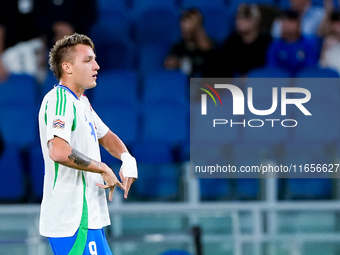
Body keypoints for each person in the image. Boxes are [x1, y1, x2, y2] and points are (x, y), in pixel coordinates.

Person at [38, 33, 138, 254]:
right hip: (73, 219)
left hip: (88, 217)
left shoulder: (81, 102)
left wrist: (126, 157)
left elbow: (107, 136)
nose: (97, 66)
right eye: (88, 60)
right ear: (68, 67)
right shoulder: (59, 100)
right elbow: (58, 150)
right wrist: (102, 167)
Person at [217, 4, 272, 78]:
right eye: (238, 17)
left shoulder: (267, 42)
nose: (240, 20)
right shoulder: (231, 41)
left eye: (246, 17)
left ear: (256, 20)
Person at [164, 8, 215, 77]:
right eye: (183, 30)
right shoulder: (177, 48)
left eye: (191, 28)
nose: (186, 32)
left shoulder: (211, 47)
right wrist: (172, 64)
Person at [266, 10, 319, 76]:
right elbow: (272, 69)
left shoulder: (309, 44)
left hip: (303, 83)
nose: (285, 25)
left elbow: (310, 69)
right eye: (283, 22)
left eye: (290, 22)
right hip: (280, 83)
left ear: (298, 25)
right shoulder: (274, 46)